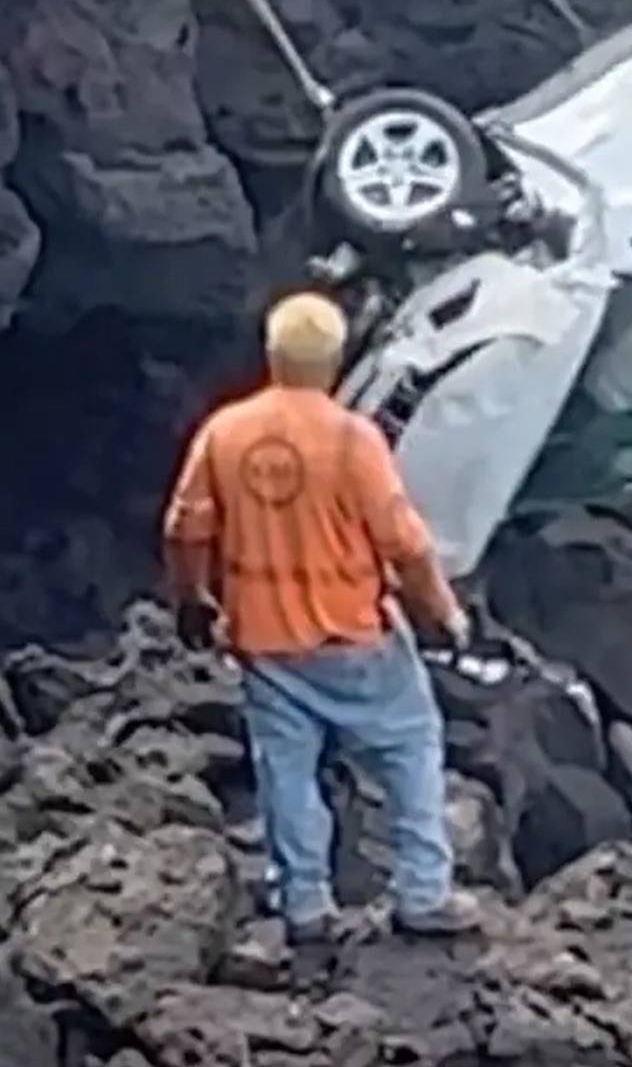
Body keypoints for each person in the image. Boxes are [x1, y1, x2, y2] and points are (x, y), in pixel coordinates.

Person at [161, 290, 479, 943]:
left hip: (265, 643)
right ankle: (422, 893)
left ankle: (304, 904)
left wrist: (191, 601)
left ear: (272, 356)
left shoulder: (226, 432)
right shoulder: (350, 439)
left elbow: (184, 528)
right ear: (333, 361)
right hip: (354, 639)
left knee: (287, 769)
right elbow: (406, 544)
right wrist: (441, 613)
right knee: (410, 748)